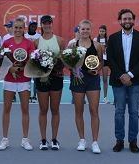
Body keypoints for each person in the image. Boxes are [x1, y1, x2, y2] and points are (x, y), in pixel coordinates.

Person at [106, 9, 139, 153]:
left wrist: (130, 75)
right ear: (120, 21)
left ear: (133, 20)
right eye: (124, 19)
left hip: (135, 81)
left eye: (129, 18)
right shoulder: (113, 38)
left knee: (134, 112)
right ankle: (119, 140)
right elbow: (110, 59)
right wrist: (121, 76)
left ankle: (133, 141)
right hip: (118, 81)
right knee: (119, 112)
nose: (127, 21)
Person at [0, 17, 35, 151]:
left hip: (24, 80)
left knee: (25, 110)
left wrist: (24, 66)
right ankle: (5, 139)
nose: (18, 30)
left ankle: (25, 139)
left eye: (20, 27)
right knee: (6, 109)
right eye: (16, 27)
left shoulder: (29, 43)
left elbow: (32, 61)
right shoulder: (6, 43)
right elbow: (0, 61)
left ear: (24, 29)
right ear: (12, 28)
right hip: (9, 80)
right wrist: (10, 68)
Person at [69, 20, 104, 153]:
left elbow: (101, 62)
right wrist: (73, 69)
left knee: (94, 110)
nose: (85, 31)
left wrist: (97, 69)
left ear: (91, 30)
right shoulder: (73, 45)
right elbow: (68, 62)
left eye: (87, 29)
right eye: (82, 29)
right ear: (79, 30)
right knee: (79, 110)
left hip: (92, 80)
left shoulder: (97, 45)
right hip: (78, 79)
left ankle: (95, 142)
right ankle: (82, 140)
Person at [34, 15, 65, 151]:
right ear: (42, 25)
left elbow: (64, 60)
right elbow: (34, 61)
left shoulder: (60, 40)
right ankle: (43, 140)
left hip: (56, 78)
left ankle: (54, 139)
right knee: (43, 110)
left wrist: (56, 66)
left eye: (49, 23)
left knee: (55, 109)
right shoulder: (36, 42)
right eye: (44, 23)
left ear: (52, 24)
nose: (47, 25)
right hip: (41, 79)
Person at [24, 21, 41, 103]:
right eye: (31, 26)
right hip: (26, 60)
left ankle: (34, 95)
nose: (33, 27)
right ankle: (27, 95)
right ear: (29, 26)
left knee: (35, 79)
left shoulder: (39, 36)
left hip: (35, 61)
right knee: (27, 79)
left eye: (34, 26)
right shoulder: (25, 36)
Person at [93, 25, 110, 104]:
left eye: (103, 31)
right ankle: (93, 96)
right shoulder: (95, 40)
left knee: (105, 79)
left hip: (105, 61)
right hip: (98, 60)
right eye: (100, 31)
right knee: (95, 78)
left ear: (105, 32)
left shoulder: (108, 40)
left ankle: (105, 97)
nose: (101, 32)